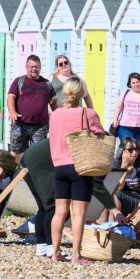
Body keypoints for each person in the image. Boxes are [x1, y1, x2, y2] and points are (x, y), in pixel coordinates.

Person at [21, 136, 123, 258]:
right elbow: (95, 183)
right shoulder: (88, 149)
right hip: (39, 162)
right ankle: (52, 249)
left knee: (44, 207)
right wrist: (114, 209)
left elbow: (95, 182)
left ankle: (42, 247)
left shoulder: (85, 142)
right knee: (54, 205)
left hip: (29, 158)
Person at [49, 77, 106, 264]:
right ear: (82, 93)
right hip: (81, 166)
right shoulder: (87, 114)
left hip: (59, 167)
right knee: (78, 213)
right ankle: (76, 254)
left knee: (59, 212)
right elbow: (101, 133)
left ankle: (55, 252)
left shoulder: (55, 114)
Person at [7, 54, 57, 163]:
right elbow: (11, 97)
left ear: (40, 67)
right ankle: (13, 175)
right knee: (16, 151)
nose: (34, 69)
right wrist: (12, 111)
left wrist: (56, 115)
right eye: (31, 67)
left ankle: (34, 177)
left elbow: (53, 101)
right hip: (20, 124)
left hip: (40, 126)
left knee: (38, 153)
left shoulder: (46, 84)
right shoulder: (19, 81)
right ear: (26, 67)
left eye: (36, 67)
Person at [110, 72, 140, 150]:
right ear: (130, 84)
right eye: (133, 83)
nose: (136, 84)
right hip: (125, 127)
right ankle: (123, 162)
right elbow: (118, 107)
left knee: (139, 151)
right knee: (127, 149)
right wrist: (115, 119)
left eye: (138, 82)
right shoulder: (126, 93)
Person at [113, 137, 140, 216]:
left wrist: (139, 210)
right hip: (121, 200)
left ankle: (117, 225)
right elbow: (119, 187)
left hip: (138, 200)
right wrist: (123, 166)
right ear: (123, 151)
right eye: (130, 150)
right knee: (113, 193)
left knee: (116, 194)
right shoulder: (117, 162)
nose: (135, 152)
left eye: (136, 149)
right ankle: (112, 225)